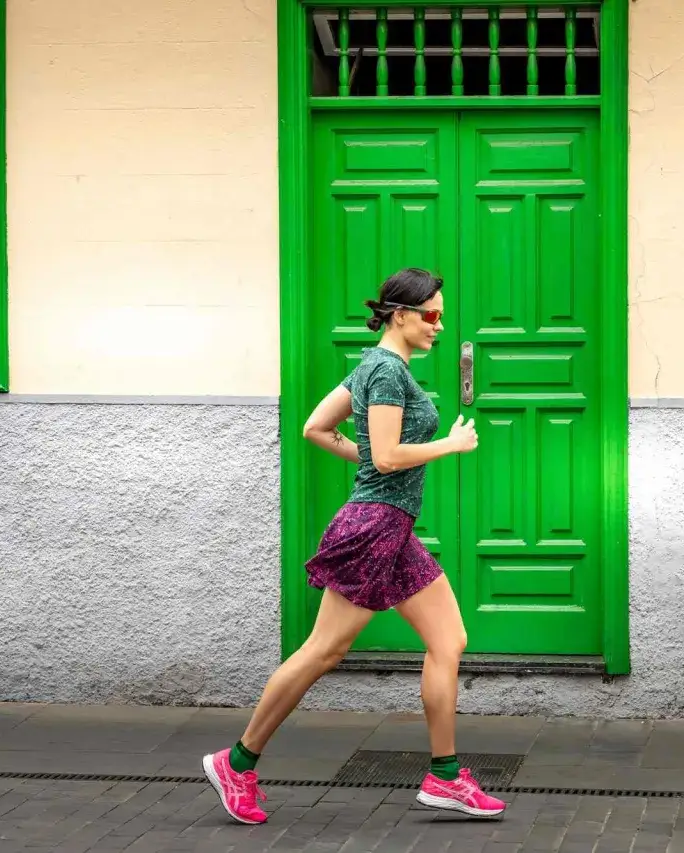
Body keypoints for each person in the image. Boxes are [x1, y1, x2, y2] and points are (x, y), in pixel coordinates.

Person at [202, 268, 506, 824]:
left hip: (392, 529)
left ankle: (444, 777)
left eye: (441, 315)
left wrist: (369, 455)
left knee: (449, 640)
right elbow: (386, 458)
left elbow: (317, 428)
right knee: (324, 650)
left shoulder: (371, 366)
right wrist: (449, 444)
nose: (439, 325)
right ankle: (236, 762)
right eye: (432, 315)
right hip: (372, 528)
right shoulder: (386, 372)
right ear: (401, 315)